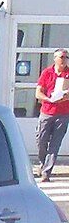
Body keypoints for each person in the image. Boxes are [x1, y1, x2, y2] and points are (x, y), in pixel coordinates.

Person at [38, 49, 69, 181]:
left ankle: (46, 172)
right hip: (47, 111)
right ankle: (42, 162)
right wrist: (48, 99)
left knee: (55, 144)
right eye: (62, 57)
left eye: (66, 57)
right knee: (41, 140)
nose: (64, 59)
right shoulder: (47, 72)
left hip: (63, 114)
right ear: (55, 58)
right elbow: (38, 93)